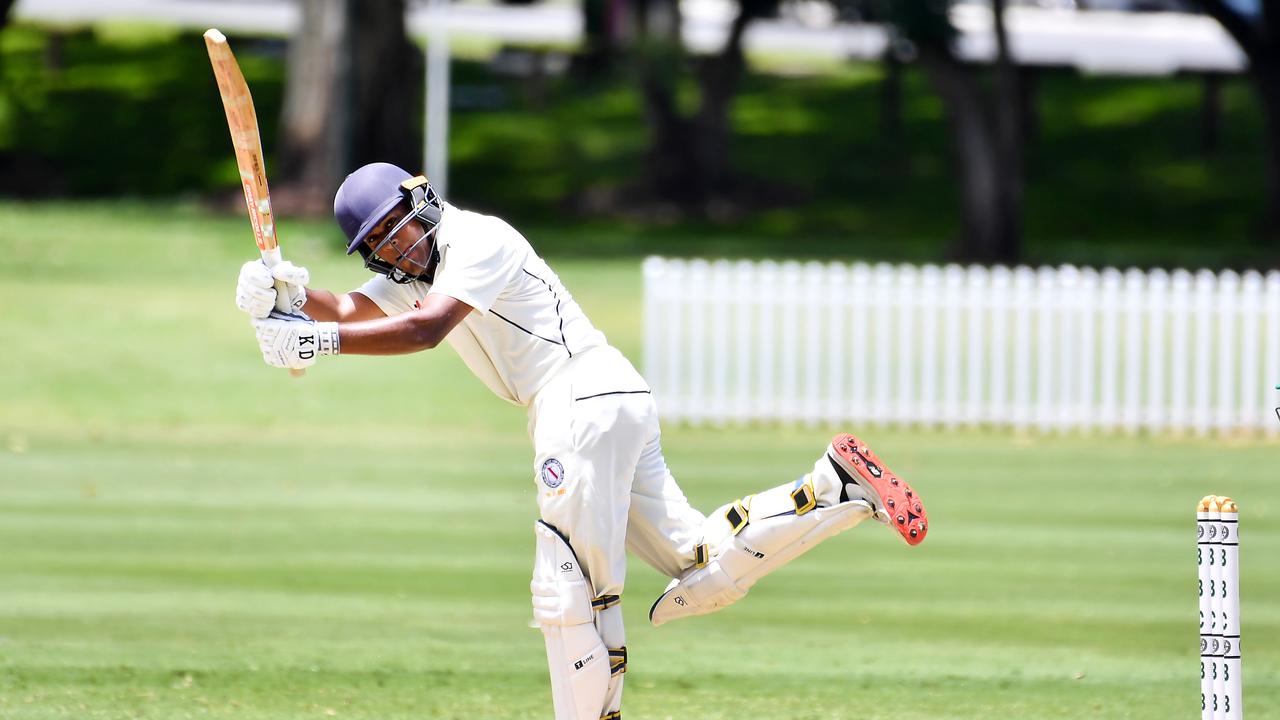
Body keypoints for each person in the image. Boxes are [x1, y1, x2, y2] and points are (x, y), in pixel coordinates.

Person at [234, 162, 929, 720]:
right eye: (381, 245)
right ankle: (834, 488)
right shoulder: (417, 272)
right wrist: (290, 294)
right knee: (702, 566)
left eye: (400, 229)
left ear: (425, 205)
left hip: (576, 400)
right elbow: (357, 309)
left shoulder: (477, 241)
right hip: (606, 399)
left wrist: (314, 339)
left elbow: (424, 330)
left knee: (571, 593)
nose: (397, 247)